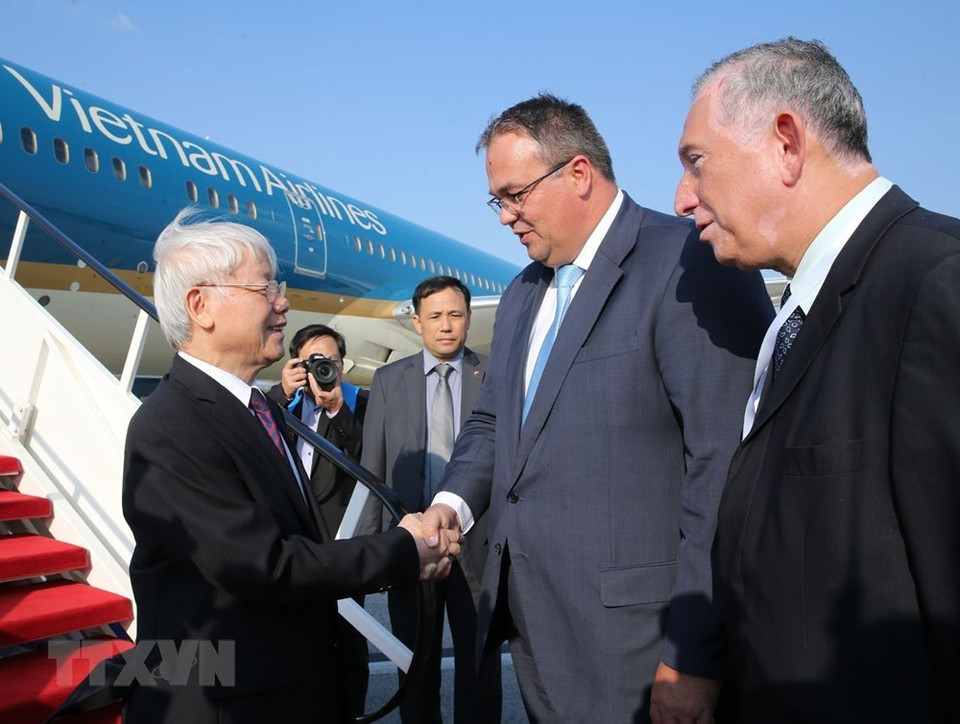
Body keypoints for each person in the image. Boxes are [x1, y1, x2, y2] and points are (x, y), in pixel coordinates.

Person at [421, 94, 773, 723]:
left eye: (515, 195)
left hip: (644, 647)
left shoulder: (690, 262)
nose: (504, 216)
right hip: (539, 631)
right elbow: (492, 422)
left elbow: (726, 467)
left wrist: (695, 653)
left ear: (578, 173)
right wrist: (450, 506)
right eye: (496, 200)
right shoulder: (524, 292)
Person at [674, 37, 960, 723]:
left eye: (697, 163)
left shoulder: (935, 285)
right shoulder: (795, 318)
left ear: (786, 144)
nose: (683, 199)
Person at [122, 209, 458, 724]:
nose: (284, 302)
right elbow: (266, 567)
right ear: (201, 305)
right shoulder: (170, 427)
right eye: (265, 290)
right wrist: (402, 550)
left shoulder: (256, 411)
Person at [358, 275, 502, 723]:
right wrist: (374, 549)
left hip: (477, 546)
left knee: (480, 667)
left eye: (456, 315)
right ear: (417, 322)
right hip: (411, 546)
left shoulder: (496, 376)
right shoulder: (387, 380)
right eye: (435, 316)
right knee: (415, 667)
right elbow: (373, 470)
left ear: (468, 319)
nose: (446, 325)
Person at [267, 324, 370, 717]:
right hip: (292, 539)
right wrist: (282, 392)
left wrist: (336, 408)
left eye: (331, 362)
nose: (323, 369)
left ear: (342, 365)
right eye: (314, 362)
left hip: (341, 538)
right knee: (295, 635)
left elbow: (365, 450)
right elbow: (253, 439)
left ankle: (350, 711)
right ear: (296, 364)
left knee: (347, 637)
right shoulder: (276, 404)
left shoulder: (359, 403)